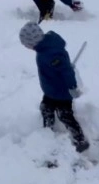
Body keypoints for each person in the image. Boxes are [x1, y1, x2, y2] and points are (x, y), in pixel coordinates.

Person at [19, 21, 89, 153]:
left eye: (26, 44)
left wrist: (72, 87)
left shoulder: (52, 54)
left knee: (65, 115)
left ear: (32, 42)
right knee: (45, 108)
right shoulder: (43, 48)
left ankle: (80, 140)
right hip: (51, 90)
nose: (27, 47)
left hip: (62, 92)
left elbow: (67, 71)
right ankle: (48, 130)